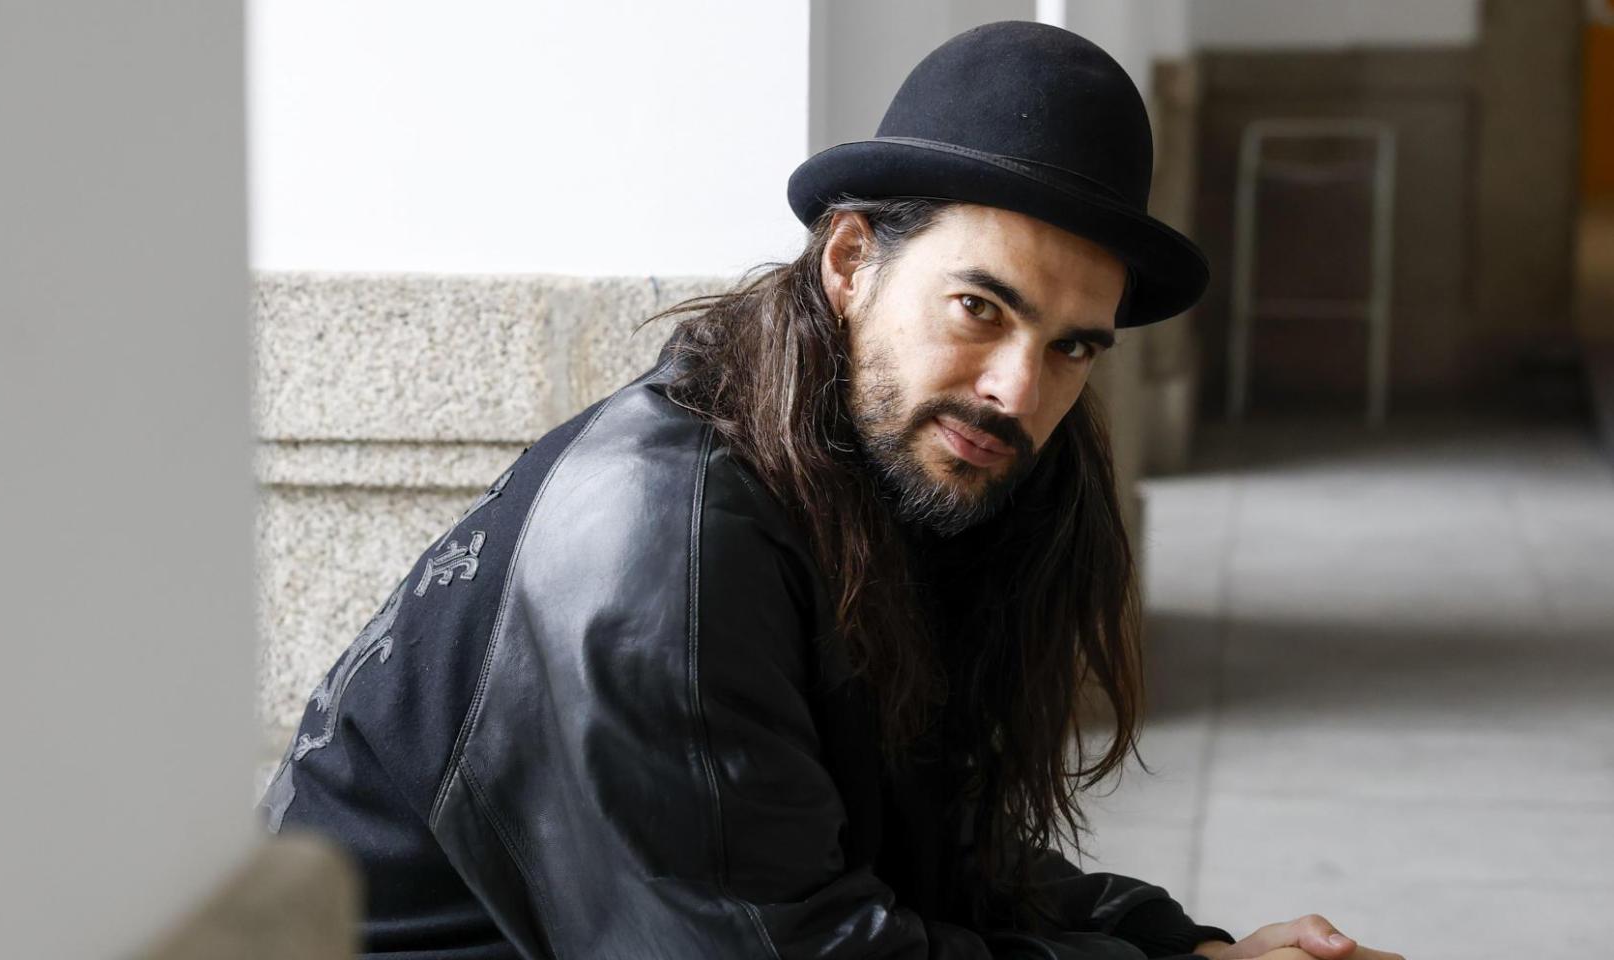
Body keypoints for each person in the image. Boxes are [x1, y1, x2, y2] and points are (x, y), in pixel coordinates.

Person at [259, 20, 1404, 960]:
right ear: (849, 262)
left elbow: (916, 849)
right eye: (980, 308)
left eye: (1071, 347)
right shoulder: (660, 540)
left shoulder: (880, 471)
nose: (1018, 388)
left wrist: (1177, 946)